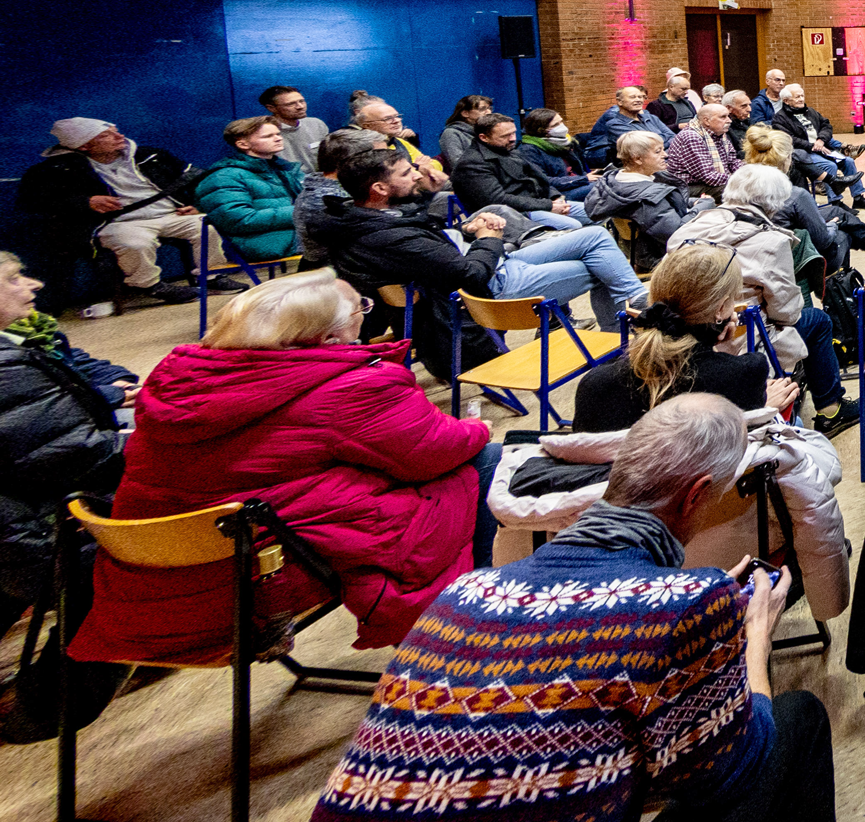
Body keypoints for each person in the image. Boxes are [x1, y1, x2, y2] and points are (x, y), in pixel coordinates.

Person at [312, 393, 837, 822]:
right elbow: (728, 776)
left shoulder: (464, 593)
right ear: (696, 496)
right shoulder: (687, 604)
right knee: (800, 717)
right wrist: (754, 640)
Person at [90, 270, 504, 653]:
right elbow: (435, 452)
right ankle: (468, 620)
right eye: (360, 308)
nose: (364, 314)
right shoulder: (349, 386)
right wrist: (476, 425)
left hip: (150, 586)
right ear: (329, 339)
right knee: (486, 460)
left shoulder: (177, 379)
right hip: (263, 583)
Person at [317, 150, 647, 331]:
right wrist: (488, 238)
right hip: (492, 287)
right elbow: (470, 275)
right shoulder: (384, 236)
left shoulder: (373, 217)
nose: (417, 174)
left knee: (594, 236)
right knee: (606, 264)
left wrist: (467, 229)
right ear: (379, 190)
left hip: (493, 263)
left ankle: (625, 323)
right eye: (406, 174)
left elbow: (431, 244)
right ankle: (632, 325)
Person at [668, 165, 865, 437]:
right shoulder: (770, 242)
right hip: (744, 341)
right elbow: (788, 314)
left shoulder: (685, 230)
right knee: (818, 320)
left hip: (683, 336)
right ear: (775, 203)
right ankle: (830, 409)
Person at [0, 252, 135, 627]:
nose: (33, 284)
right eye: (13, 279)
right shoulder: (5, 366)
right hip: (35, 538)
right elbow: (78, 455)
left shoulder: (20, 343)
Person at [574, 245, 800, 431]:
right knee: (793, 421)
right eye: (733, 299)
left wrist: (708, 346)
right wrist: (760, 410)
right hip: (705, 483)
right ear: (721, 310)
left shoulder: (595, 384)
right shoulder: (744, 374)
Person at [20, 117, 238, 305]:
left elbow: (196, 180)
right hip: (116, 223)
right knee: (134, 242)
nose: (119, 136)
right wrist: (84, 202)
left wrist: (196, 204)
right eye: (106, 136)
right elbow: (32, 203)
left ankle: (211, 275)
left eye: (115, 131)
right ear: (84, 146)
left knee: (205, 225)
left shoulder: (150, 155)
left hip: (170, 214)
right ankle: (151, 286)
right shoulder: (55, 170)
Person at [453, 112, 594, 230]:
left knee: (599, 211)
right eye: (505, 136)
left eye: (514, 133)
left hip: (538, 204)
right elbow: (497, 200)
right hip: (513, 215)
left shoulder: (509, 151)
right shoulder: (472, 164)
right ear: (484, 137)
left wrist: (556, 197)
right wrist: (548, 205)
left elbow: (540, 178)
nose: (513, 139)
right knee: (573, 225)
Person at [739, 126, 850, 274]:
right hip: (786, 263)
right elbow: (823, 240)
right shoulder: (795, 195)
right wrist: (831, 226)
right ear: (787, 159)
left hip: (748, 260)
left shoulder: (735, 189)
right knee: (842, 237)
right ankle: (840, 287)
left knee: (835, 213)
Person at [194, 116, 305, 262]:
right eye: (268, 136)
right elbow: (240, 219)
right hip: (264, 242)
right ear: (243, 144)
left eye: (278, 134)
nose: (278, 139)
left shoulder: (280, 169)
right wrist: (301, 212)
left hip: (292, 233)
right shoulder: (224, 176)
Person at [584, 130, 692, 271]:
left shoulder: (615, 181)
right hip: (660, 256)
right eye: (658, 151)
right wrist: (702, 207)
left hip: (639, 252)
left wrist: (692, 203)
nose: (665, 155)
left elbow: (667, 204)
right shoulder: (646, 197)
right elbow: (677, 234)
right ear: (638, 159)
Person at [294, 129, 385, 267]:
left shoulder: (343, 187)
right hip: (335, 275)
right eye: (382, 157)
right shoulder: (327, 199)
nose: (388, 163)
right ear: (356, 162)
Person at [770, 83, 865, 209]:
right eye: (797, 97)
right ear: (786, 101)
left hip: (823, 148)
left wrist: (821, 140)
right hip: (804, 153)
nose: (801, 99)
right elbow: (789, 139)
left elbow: (826, 125)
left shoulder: (811, 112)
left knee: (848, 161)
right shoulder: (779, 119)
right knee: (830, 166)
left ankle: (858, 197)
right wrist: (811, 146)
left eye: (802, 96)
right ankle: (836, 203)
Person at [666, 102, 745, 200]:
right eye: (723, 117)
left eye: (728, 116)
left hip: (709, 182)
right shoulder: (691, 137)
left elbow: (732, 162)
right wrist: (740, 180)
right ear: (706, 121)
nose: (729, 121)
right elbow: (708, 177)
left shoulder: (719, 134)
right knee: (738, 190)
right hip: (687, 188)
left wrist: (748, 173)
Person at [517, 106, 593, 202]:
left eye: (561, 122)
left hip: (578, 184)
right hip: (559, 193)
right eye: (556, 124)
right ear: (542, 130)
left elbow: (577, 170)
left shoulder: (566, 143)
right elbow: (543, 181)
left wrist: (590, 176)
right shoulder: (529, 151)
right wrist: (583, 179)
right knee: (603, 188)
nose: (562, 126)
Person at [351, 95, 441, 171]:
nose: (396, 121)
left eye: (397, 116)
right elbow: (389, 177)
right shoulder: (361, 148)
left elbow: (436, 165)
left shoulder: (400, 141)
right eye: (387, 118)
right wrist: (417, 167)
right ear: (368, 126)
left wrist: (420, 167)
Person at [591, 85, 679, 162]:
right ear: (619, 102)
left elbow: (674, 138)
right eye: (633, 97)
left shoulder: (652, 118)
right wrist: (664, 140)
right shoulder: (614, 125)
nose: (638, 100)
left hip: (667, 160)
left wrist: (657, 145)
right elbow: (643, 147)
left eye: (640, 97)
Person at [259, 85, 330, 173]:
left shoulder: (316, 124)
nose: (300, 106)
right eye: (290, 104)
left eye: (302, 101)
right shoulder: (262, 132)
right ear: (271, 108)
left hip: (318, 180)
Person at [437, 94, 492, 173]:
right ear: (465, 113)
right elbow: (458, 164)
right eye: (482, 109)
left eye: (490, 108)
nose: (489, 112)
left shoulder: (487, 130)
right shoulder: (451, 133)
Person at [723, 89, 758, 156]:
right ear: (729, 108)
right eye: (743, 106)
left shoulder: (748, 122)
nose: (749, 109)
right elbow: (733, 155)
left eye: (749, 105)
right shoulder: (724, 128)